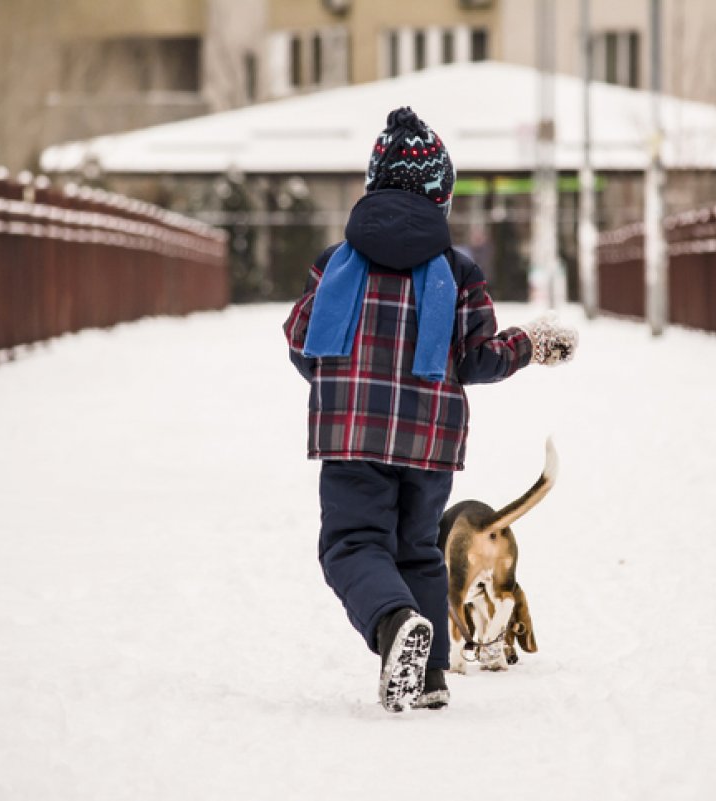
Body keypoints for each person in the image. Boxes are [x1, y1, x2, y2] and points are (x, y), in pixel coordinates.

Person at [283, 106, 577, 713]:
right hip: (429, 441)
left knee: (352, 544)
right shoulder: (458, 271)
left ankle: (395, 625)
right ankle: (433, 675)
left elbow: (300, 342)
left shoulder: (335, 263)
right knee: (417, 549)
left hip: (352, 434)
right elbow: (476, 359)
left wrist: (340, 383)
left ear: (374, 185)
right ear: (441, 196)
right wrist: (530, 343)